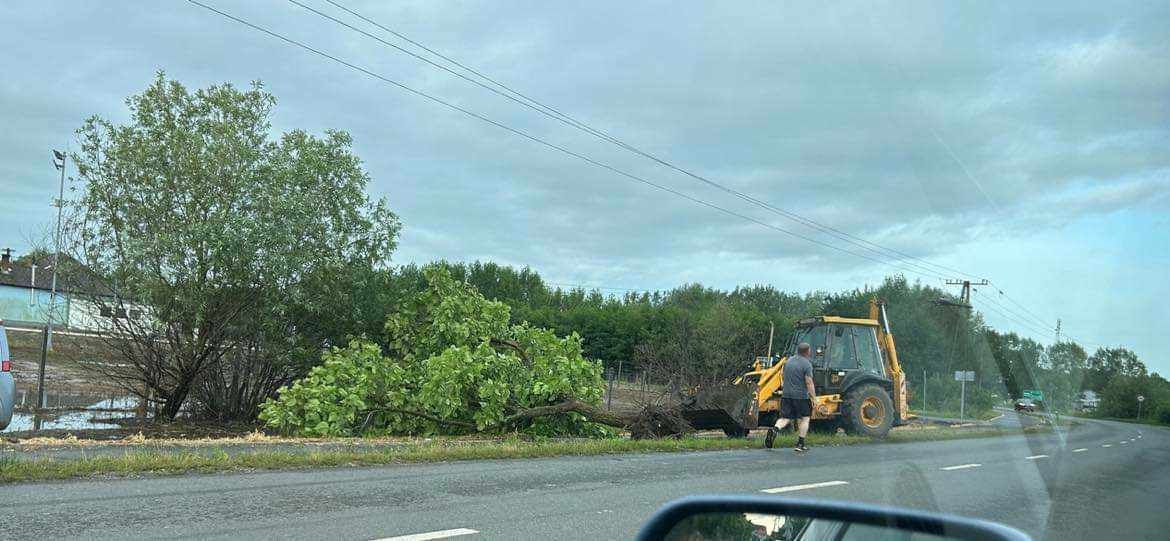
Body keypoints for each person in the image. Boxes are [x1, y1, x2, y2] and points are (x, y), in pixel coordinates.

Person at [765, 342, 816, 452]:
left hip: (786, 395)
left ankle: (775, 429)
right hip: (801, 397)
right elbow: (809, 382)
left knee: (785, 418)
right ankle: (800, 444)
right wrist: (813, 397)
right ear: (807, 351)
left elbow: (783, 376)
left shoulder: (788, 362)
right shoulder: (807, 364)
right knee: (805, 419)